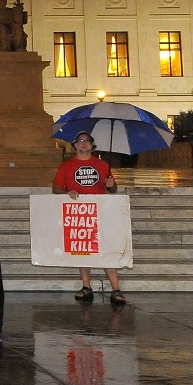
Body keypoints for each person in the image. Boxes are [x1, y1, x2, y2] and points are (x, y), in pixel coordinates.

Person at [52, 131, 125, 306]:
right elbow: (55, 189)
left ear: (92, 145)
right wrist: (67, 192)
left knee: (106, 248)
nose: (84, 144)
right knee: (82, 248)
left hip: (101, 212)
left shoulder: (102, 165)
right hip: (78, 213)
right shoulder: (66, 166)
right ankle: (86, 286)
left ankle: (116, 289)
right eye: (80, 141)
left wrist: (111, 185)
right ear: (75, 145)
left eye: (87, 141)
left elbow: (112, 189)